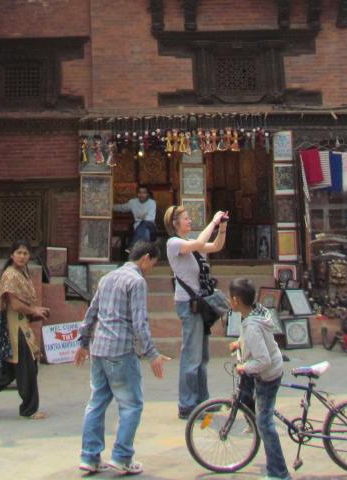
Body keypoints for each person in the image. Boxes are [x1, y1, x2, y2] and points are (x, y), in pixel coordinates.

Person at [74, 240, 169, 476]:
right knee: (131, 405)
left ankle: (89, 457)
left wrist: (83, 342)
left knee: (96, 402)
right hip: (121, 349)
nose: (151, 269)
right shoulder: (136, 281)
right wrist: (152, 354)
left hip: (99, 348)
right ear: (145, 258)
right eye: (153, 263)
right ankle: (122, 456)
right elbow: (140, 322)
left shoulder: (107, 278)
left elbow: (91, 312)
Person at [165, 204, 229, 419]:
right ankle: (187, 404)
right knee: (191, 356)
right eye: (185, 218)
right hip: (187, 304)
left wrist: (222, 228)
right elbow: (201, 243)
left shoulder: (191, 245)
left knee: (201, 356)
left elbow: (215, 246)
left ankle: (202, 401)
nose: (189, 221)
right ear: (175, 223)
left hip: (199, 304)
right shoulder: (174, 244)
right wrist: (213, 221)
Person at [0, 239, 50, 419]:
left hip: (21, 324)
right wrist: (34, 310)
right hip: (15, 327)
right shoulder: (10, 275)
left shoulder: (22, 273)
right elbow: (15, 305)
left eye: (25, 253)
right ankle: (29, 409)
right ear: (12, 255)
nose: (22, 256)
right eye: (19, 253)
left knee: (9, 368)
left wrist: (35, 312)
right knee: (27, 367)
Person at [228, 277, 287, 480]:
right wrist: (239, 343)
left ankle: (279, 473)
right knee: (260, 414)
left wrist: (244, 366)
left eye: (230, 297)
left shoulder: (252, 325)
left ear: (236, 300)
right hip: (272, 366)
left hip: (268, 375)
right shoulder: (256, 312)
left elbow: (263, 361)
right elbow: (252, 339)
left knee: (265, 424)